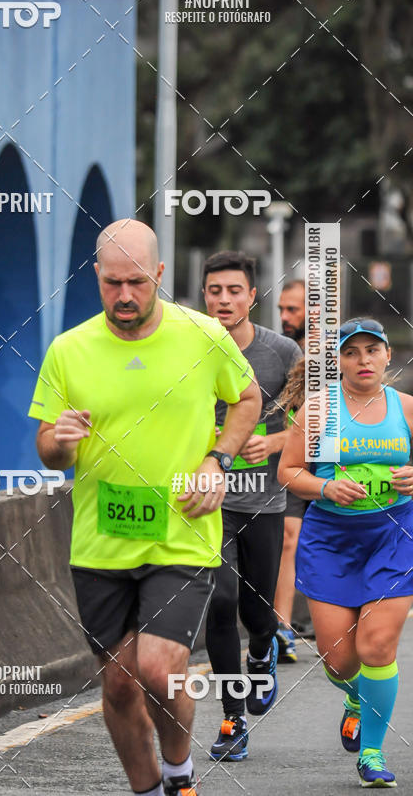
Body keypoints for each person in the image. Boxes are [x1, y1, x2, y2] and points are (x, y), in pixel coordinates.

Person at [29, 220, 262, 796]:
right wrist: (60, 440)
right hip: (100, 542)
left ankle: (180, 771)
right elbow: (47, 453)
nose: (125, 296)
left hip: (182, 533)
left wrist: (218, 461)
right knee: (119, 684)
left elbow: (248, 397)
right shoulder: (70, 350)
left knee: (158, 670)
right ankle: (148, 788)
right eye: (112, 283)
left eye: (136, 281)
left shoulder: (204, 335)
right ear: (97, 278)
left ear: (158, 275)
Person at [278, 318, 413, 788]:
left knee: (376, 646)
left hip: (394, 536)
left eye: (371, 351)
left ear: (387, 356)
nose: (362, 361)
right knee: (339, 660)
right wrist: (326, 486)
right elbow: (289, 471)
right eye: (351, 352)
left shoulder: (408, 409)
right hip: (331, 539)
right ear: (338, 360)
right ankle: (356, 698)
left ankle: (372, 753)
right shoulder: (316, 410)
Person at [201, 251, 301, 762]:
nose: (224, 299)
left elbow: (320, 422)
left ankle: (262, 652)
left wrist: (278, 440)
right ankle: (232, 719)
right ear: (203, 296)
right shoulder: (188, 349)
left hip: (264, 501)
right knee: (217, 604)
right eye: (215, 290)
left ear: (251, 297)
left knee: (256, 612)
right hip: (207, 504)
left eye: (234, 291)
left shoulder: (281, 351)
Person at [275, 280, 308, 661]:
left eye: (293, 310)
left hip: (337, 463)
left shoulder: (337, 353)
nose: (285, 317)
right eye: (282, 309)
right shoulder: (284, 353)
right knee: (289, 534)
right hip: (292, 460)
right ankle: (281, 626)